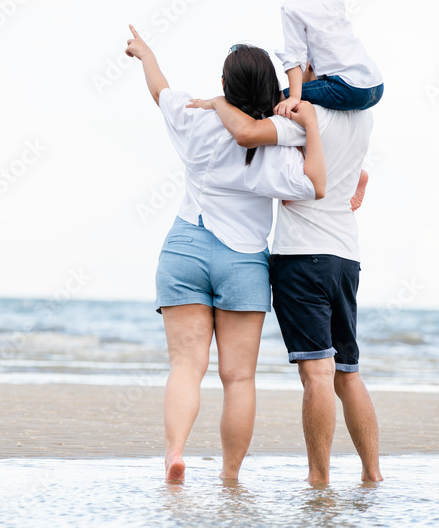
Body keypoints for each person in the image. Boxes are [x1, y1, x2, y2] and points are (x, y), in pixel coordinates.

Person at [124, 24, 327, 482]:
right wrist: (308, 127)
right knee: (238, 379)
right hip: (243, 260)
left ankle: (175, 453)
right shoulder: (276, 144)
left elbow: (161, 90)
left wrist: (145, 52)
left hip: (185, 249)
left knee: (185, 368)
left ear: (223, 85)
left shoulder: (195, 118)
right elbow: (314, 184)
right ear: (268, 89)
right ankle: (230, 475)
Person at [186, 90, 384, 485]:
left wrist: (218, 103)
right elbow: (359, 171)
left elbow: (246, 133)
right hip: (345, 257)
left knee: (318, 374)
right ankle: (372, 474)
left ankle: (319, 479)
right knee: (348, 372)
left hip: (302, 256)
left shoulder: (302, 117)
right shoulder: (362, 119)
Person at [260, 0, 382, 209]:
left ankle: (297, 174)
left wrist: (292, 97)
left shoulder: (292, 8)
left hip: (346, 87)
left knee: (280, 103)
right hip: (373, 85)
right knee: (337, 115)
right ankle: (357, 172)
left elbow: (293, 57)